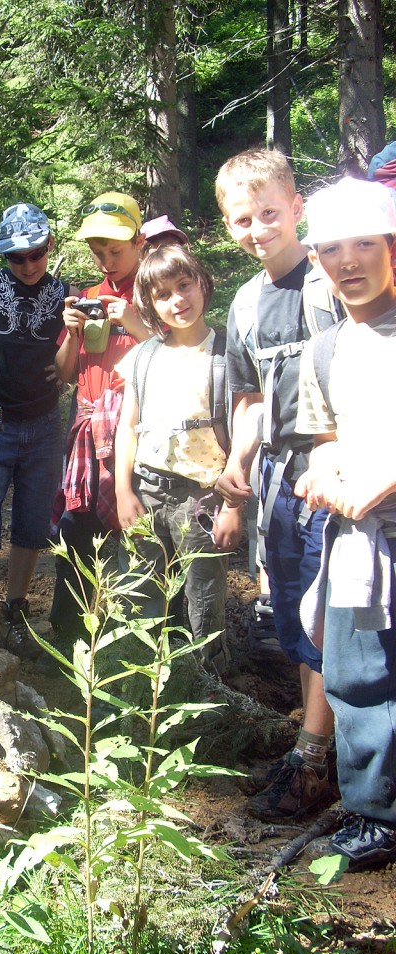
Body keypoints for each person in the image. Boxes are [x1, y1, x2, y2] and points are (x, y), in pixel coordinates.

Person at [214, 148, 337, 821]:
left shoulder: (329, 284)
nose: (258, 228)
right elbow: (249, 394)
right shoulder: (246, 303)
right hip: (279, 476)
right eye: (242, 219)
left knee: (331, 614)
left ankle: (314, 759)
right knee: (293, 614)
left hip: (335, 475)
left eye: (269, 213)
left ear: (295, 208)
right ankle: (315, 742)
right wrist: (240, 458)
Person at [295, 175, 396, 869]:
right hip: (358, 541)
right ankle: (375, 812)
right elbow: (322, 435)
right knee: (356, 674)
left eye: (365, 243)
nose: (349, 260)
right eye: (332, 248)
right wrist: (324, 473)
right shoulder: (324, 349)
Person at [0, 203, 77, 658]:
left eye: (36, 253)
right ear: (4, 257)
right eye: (16, 257)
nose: (27, 264)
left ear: (49, 247)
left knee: (30, 525)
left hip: (44, 425)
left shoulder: (65, 293)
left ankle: (15, 611)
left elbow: (74, 358)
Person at [114, 244, 240, 675]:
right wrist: (122, 491)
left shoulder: (226, 353)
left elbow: (243, 426)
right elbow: (126, 425)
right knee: (143, 592)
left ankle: (211, 686)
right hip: (147, 493)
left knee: (203, 601)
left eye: (184, 286)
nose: (177, 300)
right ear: (148, 304)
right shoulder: (144, 357)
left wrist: (232, 506)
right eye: (163, 294)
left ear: (202, 283)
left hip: (202, 499)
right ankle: (149, 683)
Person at [50, 192, 150, 636]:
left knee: (135, 537)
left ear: (140, 241)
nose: (106, 261)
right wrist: (71, 333)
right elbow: (64, 374)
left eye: (115, 250)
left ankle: (134, 637)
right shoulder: (88, 296)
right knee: (75, 532)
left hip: (136, 434)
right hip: (88, 434)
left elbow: (173, 359)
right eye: (98, 252)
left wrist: (133, 321)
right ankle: (70, 632)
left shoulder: (158, 292)